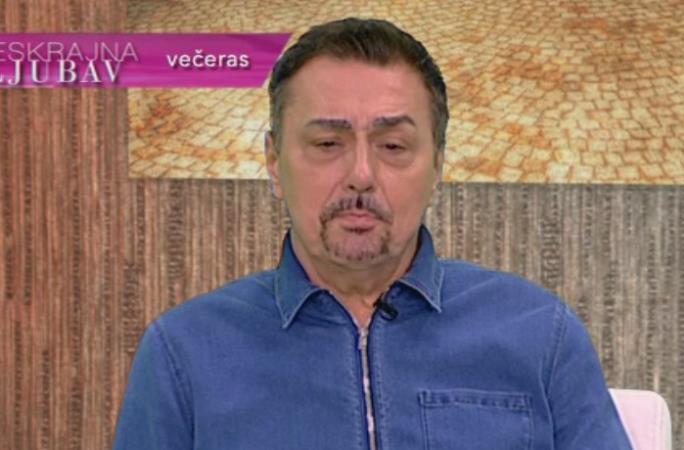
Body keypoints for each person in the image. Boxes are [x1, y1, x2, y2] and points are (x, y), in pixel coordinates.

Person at [113, 18, 632, 449]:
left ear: (437, 164)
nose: (361, 174)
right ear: (273, 162)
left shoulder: (540, 335)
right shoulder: (184, 353)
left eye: (393, 146)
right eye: (327, 144)